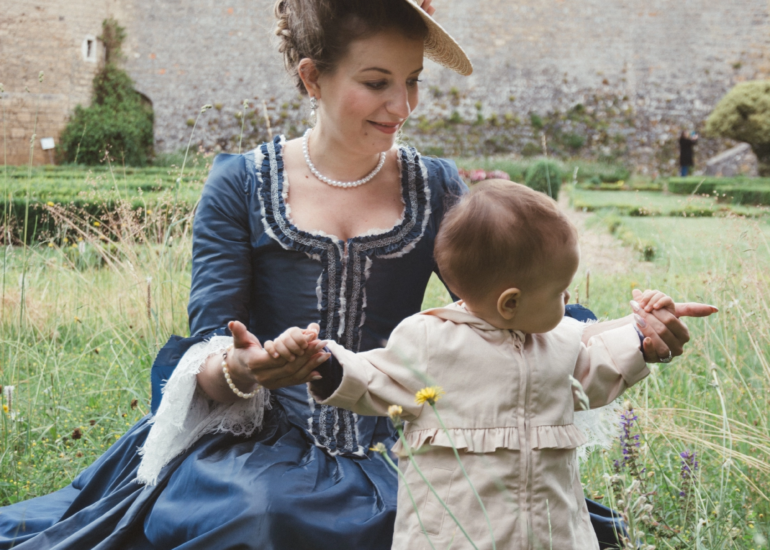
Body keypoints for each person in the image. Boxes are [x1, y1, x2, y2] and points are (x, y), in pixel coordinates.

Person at [0, 1, 715, 548]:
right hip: (259, 442)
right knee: (264, 516)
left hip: (399, 431)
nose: (401, 107)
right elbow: (210, 348)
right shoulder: (239, 186)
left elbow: (518, 298)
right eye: (377, 83)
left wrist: (634, 334)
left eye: (412, 83)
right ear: (313, 77)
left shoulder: (435, 186)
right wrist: (249, 368)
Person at [270, 180, 707, 549]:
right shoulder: (430, 341)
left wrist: (642, 337)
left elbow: (595, 369)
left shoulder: (557, 342)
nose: (568, 302)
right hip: (456, 536)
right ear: (510, 302)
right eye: (560, 292)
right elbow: (375, 377)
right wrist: (325, 362)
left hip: (551, 533)